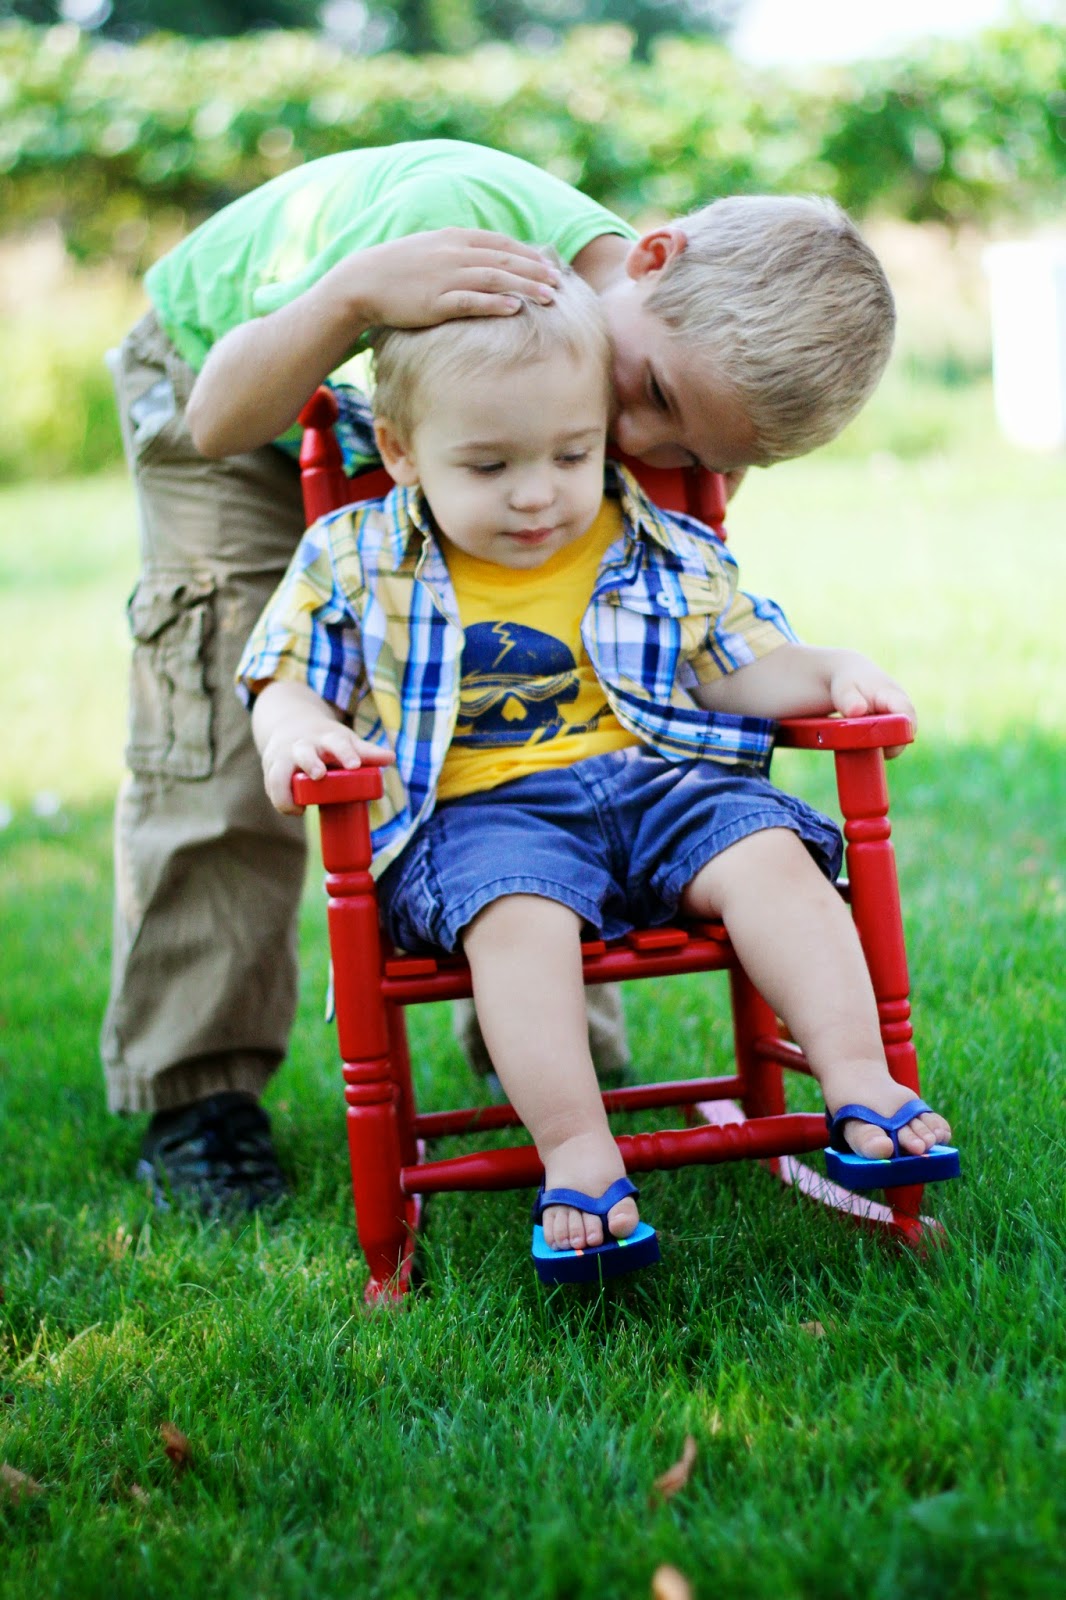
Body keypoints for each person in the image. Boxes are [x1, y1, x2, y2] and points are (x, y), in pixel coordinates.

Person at [110, 138, 896, 1211]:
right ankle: (198, 1096)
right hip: (237, 382)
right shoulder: (452, 228)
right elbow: (217, 422)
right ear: (651, 260)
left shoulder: (653, 382)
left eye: (689, 450)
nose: (635, 438)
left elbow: (656, 621)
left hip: (479, 445)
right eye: (651, 393)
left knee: (561, 663)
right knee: (226, 731)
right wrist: (351, 299)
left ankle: (549, 1036)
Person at [235, 266, 950, 1280]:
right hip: (477, 818)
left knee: (769, 852)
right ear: (400, 451)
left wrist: (833, 670)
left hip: (657, 786)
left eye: (572, 454)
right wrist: (295, 732)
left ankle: (859, 1081)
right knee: (516, 915)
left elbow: (739, 668)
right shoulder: (354, 554)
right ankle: (576, 1148)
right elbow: (286, 679)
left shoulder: (654, 537)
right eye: (489, 465)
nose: (537, 492)